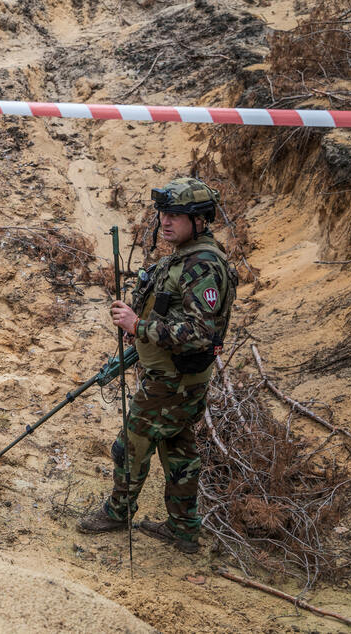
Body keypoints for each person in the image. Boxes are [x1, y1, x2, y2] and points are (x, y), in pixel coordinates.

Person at [76, 177, 237, 553]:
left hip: (174, 379)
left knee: (129, 447)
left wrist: (138, 325)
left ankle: (118, 513)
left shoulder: (202, 266)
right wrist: (142, 331)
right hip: (177, 376)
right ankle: (183, 529)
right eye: (164, 213)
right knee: (178, 450)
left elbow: (201, 332)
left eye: (177, 215)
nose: (166, 221)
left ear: (200, 220)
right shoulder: (185, 256)